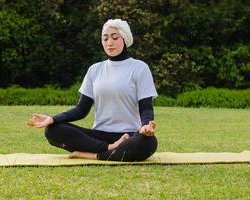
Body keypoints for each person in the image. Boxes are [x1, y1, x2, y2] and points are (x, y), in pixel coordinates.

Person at [27, 19, 158, 161]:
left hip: (130, 136)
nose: (109, 43)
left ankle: (93, 155)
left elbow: (146, 108)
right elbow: (81, 109)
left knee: (148, 142)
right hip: (99, 136)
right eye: (105, 38)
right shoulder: (95, 69)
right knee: (53, 130)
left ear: (125, 38)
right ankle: (108, 149)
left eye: (115, 37)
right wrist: (52, 119)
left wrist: (146, 126)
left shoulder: (140, 68)